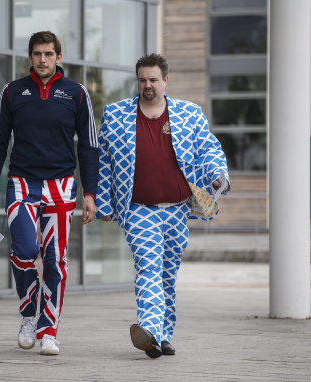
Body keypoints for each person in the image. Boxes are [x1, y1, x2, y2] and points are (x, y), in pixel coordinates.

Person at [0, 31, 98, 356]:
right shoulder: (13, 92)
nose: (43, 59)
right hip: (21, 184)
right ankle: (29, 316)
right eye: (37, 54)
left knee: (55, 261)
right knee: (24, 251)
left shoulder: (76, 93)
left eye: (48, 54)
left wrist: (90, 193)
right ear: (30, 57)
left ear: (59, 57)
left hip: (61, 186)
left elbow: (89, 147)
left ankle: (48, 331)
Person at [96, 53, 229, 359]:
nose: (148, 86)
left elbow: (208, 148)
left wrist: (217, 175)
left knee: (167, 274)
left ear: (165, 81)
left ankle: (163, 336)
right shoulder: (116, 115)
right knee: (148, 267)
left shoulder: (189, 114)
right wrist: (102, 201)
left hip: (178, 208)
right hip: (139, 208)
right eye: (142, 80)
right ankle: (150, 330)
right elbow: (103, 162)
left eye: (153, 80)